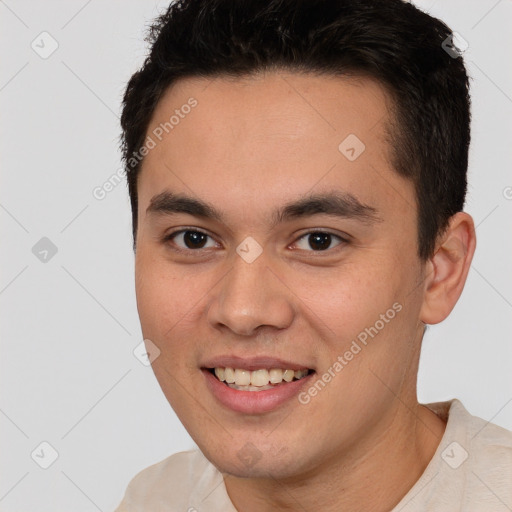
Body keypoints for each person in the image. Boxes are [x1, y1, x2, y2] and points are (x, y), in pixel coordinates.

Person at [114, 0, 512, 510]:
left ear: (439, 269)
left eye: (318, 240)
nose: (242, 311)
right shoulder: (153, 500)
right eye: (194, 239)